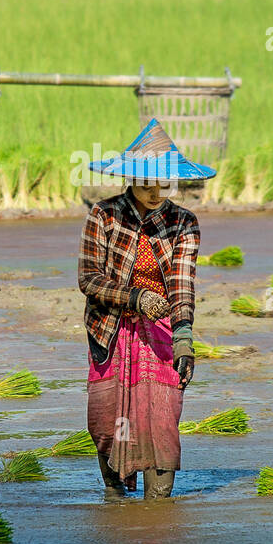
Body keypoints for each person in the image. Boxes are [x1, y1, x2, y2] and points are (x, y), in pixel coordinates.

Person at [77, 119, 215, 500]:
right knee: (106, 420)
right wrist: (134, 297)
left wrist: (185, 337)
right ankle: (115, 497)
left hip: (162, 331)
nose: (156, 192)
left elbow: (183, 283)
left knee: (162, 417)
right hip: (110, 329)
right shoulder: (103, 216)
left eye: (163, 184)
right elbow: (88, 279)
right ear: (131, 178)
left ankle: (157, 506)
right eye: (147, 183)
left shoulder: (183, 222)